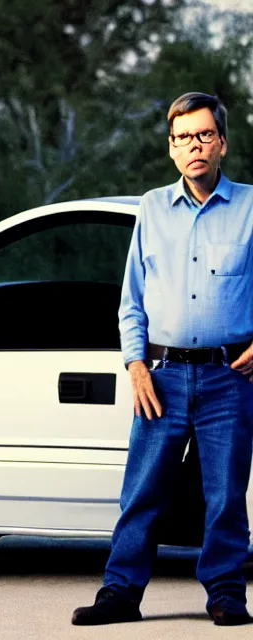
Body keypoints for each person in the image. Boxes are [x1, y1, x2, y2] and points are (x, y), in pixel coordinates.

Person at [72, 92, 253, 627]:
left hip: (228, 378)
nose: (192, 146)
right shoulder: (151, 209)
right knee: (143, 491)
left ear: (221, 142)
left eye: (202, 135)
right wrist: (134, 366)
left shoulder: (250, 208)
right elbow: (131, 300)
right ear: (171, 148)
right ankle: (121, 594)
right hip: (162, 376)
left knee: (223, 496)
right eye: (181, 138)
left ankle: (225, 595)